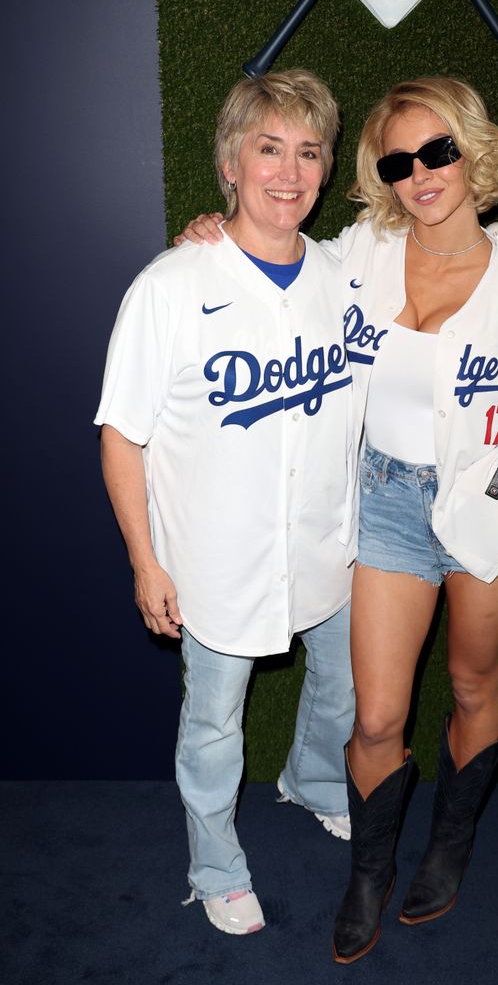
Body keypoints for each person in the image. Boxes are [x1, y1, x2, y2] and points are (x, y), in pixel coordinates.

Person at [180, 74, 498, 963]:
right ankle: (370, 871)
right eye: (399, 160)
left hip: (488, 512)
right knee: (377, 716)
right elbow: (266, 252)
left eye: (439, 151)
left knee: (475, 689)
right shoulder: (358, 252)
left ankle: (451, 843)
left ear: (475, 151)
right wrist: (206, 236)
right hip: (384, 503)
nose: (421, 173)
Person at [94, 69, 358, 938]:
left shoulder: (346, 275)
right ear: (230, 165)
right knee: (213, 725)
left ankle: (314, 781)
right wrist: (146, 558)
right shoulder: (170, 286)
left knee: (344, 686)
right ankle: (215, 865)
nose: (289, 171)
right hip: (215, 560)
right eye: (268, 148)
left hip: (327, 546)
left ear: (327, 169)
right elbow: (121, 434)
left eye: (308, 151)